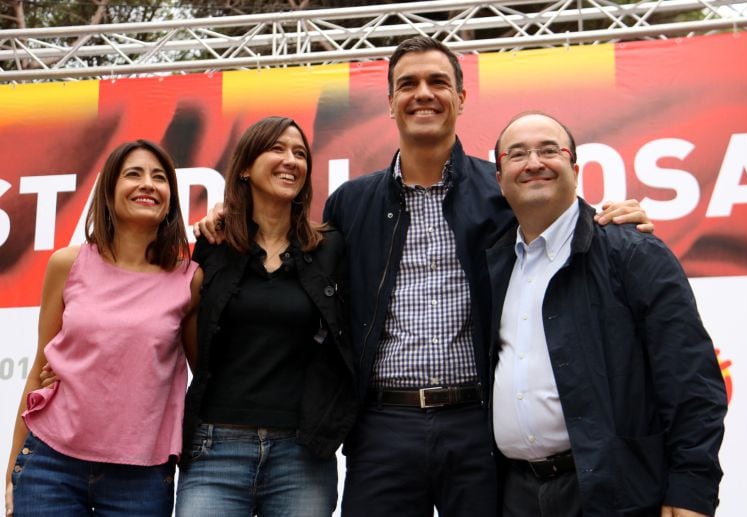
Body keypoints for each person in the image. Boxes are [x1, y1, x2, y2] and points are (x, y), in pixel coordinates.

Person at [195, 37, 652, 517]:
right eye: (407, 84)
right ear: (390, 103)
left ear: (461, 97)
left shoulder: (501, 195)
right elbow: (291, 247)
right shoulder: (351, 204)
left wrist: (611, 218)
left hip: (477, 425)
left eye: (438, 82)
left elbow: (557, 221)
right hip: (381, 427)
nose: (423, 94)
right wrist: (229, 214)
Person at [487, 111, 727, 517]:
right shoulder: (493, 265)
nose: (534, 163)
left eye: (549, 150)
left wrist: (691, 491)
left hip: (614, 495)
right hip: (516, 495)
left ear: (575, 169)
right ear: (499, 180)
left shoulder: (632, 252)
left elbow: (692, 381)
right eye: (517, 155)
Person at [5, 140, 202, 516]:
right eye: (134, 174)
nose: (148, 184)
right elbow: (38, 370)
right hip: (51, 465)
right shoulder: (67, 264)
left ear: (170, 200)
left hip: (142, 479)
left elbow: (204, 376)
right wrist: (12, 471)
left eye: (159, 178)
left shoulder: (189, 280)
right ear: (109, 191)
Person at [175, 116, 356, 517]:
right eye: (277, 148)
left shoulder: (329, 247)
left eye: (299, 153)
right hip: (215, 446)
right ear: (244, 166)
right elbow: (189, 334)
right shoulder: (213, 243)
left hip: (302, 453)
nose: (290, 160)